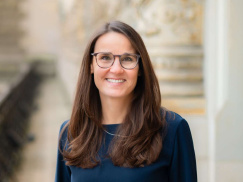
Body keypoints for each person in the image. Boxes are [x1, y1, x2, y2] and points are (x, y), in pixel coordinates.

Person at [55, 21, 197, 182]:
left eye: (128, 59)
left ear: (141, 68)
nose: (116, 69)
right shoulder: (71, 133)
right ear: (91, 66)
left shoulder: (171, 129)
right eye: (105, 57)